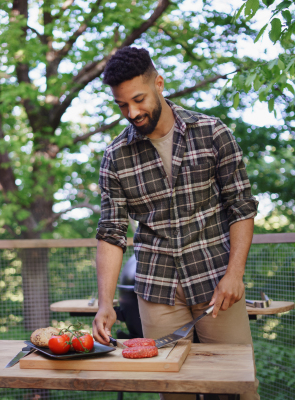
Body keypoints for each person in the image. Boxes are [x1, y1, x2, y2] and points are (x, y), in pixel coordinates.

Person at [92, 47, 260, 400]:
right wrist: (105, 302)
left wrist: (235, 275)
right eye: (123, 105)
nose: (132, 112)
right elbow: (111, 233)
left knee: (233, 387)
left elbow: (241, 208)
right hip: (157, 290)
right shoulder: (115, 157)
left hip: (217, 283)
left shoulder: (213, 133)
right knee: (174, 391)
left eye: (138, 99)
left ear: (159, 83)